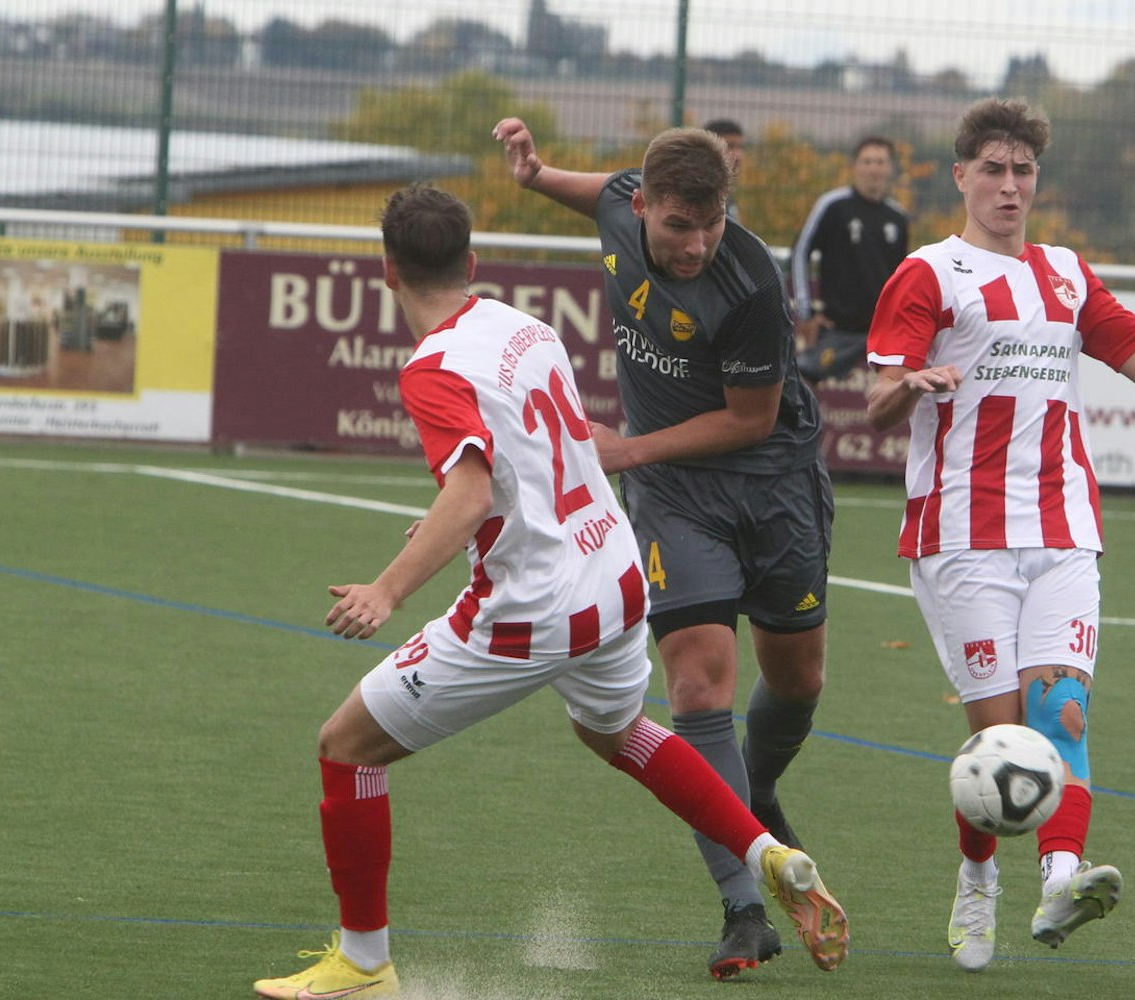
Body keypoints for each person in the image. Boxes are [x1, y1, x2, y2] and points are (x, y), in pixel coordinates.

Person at [252, 186, 846, 999]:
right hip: (614, 576)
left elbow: (469, 494)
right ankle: (765, 852)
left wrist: (387, 591)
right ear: (471, 263)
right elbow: (537, 458)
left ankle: (363, 963)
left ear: (385, 270)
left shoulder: (431, 370)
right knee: (617, 731)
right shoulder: (521, 325)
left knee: (346, 747)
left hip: (535, 610)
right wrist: (454, 527)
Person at [493, 118, 835, 979]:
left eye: (711, 224)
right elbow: (595, 190)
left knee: (798, 681)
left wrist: (629, 448)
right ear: (644, 206)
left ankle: (747, 797)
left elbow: (751, 420)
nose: (695, 244)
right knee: (694, 682)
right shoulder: (620, 207)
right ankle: (744, 904)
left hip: (774, 484)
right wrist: (536, 177)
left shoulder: (751, 283)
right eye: (678, 226)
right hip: (679, 500)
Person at [865, 97, 1135, 972]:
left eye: (1023, 172)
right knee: (1001, 737)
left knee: (1063, 715)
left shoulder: (1066, 274)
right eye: (994, 170)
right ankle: (977, 887)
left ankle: (1061, 877)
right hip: (961, 535)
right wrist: (915, 383)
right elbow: (875, 399)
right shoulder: (928, 273)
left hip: (1063, 527)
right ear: (962, 176)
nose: (1010, 187)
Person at [791, 135, 911, 383]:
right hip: (838, 328)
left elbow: (902, 278)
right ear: (854, 166)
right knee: (802, 380)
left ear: (890, 168)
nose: (873, 168)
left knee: (899, 390)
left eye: (880, 162)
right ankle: (802, 423)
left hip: (883, 331)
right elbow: (801, 253)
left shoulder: (898, 217)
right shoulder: (833, 206)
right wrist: (806, 311)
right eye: (867, 161)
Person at [702, 118, 746, 225]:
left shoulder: (724, 192)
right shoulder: (703, 195)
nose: (737, 155)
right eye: (729, 146)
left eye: (740, 147)